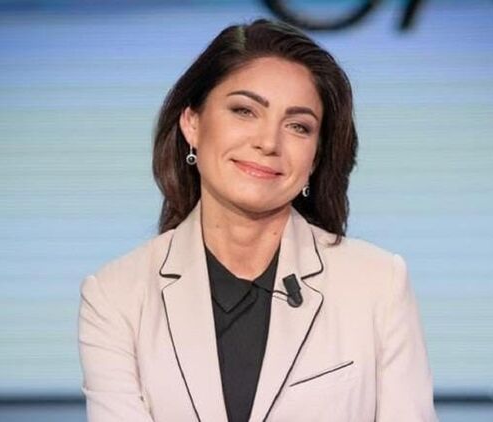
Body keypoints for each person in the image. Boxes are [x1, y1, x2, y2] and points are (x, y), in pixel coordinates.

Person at [78, 18, 437, 422]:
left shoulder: (377, 284)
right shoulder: (116, 295)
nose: (268, 142)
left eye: (298, 126)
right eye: (244, 111)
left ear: (315, 157)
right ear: (192, 123)